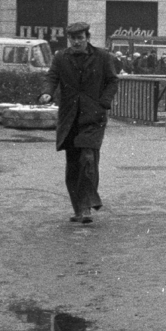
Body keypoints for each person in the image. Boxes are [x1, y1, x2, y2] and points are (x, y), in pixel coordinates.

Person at [42, 22, 119, 225]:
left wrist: (104, 102)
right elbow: (52, 77)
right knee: (73, 164)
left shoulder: (102, 57)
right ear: (69, 39)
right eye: (73, 38)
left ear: (87, 37)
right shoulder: (61, 57)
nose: (77, 42)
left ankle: (87, 207)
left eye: (80, 38)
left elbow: (113, 80)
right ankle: (78, 209)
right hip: (70, 117)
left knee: (88, 158)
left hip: (93, 115)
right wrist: (47, 92)